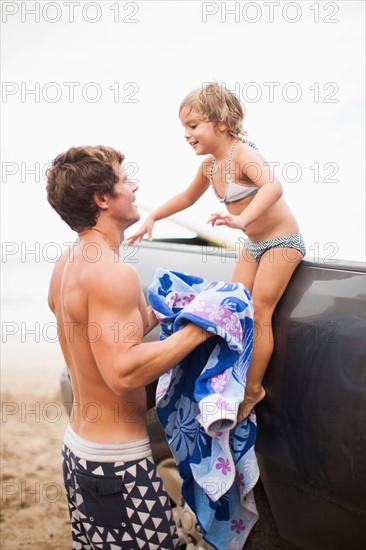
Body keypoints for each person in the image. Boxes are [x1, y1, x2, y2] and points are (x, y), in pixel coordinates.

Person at [46, 145, 211, 550]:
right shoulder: (110, 272)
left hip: (80, 451)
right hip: (117, 463)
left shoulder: (70, 263)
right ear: (102, 199)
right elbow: (122, 372)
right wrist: (202, 329)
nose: (135, 187)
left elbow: (110, 334)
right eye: (125, 180)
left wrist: (177, 305)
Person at [127, 83, 306, 421]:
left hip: (282, 244)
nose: (186, 134)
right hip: (254, 245)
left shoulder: (242, 154)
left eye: (193, 126)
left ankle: (253, 389)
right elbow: (185, 197)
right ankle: (230, 377)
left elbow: (273, 186)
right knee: (234, 307)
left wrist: (242, 220)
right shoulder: (210, 167)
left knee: (260, 311)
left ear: (221, 123)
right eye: (184, 128)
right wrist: (153, 216)